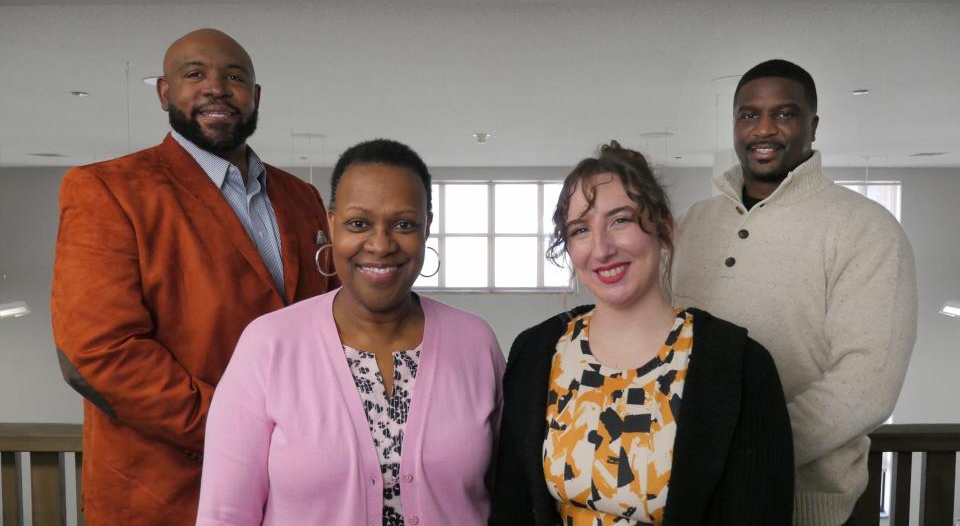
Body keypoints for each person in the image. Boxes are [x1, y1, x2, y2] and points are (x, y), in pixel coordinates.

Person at [51, 28, 338, 525]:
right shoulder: (106, 189)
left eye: (234, 77)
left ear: (256, 97)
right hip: (167, 493)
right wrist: (244, 432)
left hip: (297, 489)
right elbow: (97, 354)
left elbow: (330, 326)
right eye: (194, 74)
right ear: (165, 93)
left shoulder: (302, 198)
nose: (216, 88)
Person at [197, 139, 505, 526]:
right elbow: (224, 515)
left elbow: (507, 494)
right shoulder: (269, 345)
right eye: (359, 223)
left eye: (404, 224)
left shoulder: (475, 343)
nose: (380, 244)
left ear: (428, 228)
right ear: (331, 225)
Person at [491, 141, 793, 525]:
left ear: (663, 227)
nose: (601, 249)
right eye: (581, 229)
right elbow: (511, 507)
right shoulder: (536, 352)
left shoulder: (740, 366)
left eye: (620, 220)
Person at [671, 59, 917, 526]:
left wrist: (741, 453)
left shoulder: (865, 228)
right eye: (749, 115)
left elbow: (868, 383)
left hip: (801, 506)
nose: (763, 129)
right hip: (684, 495)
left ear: (813, 125)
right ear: (735, 125)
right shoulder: (689, 226)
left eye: (784, 113)